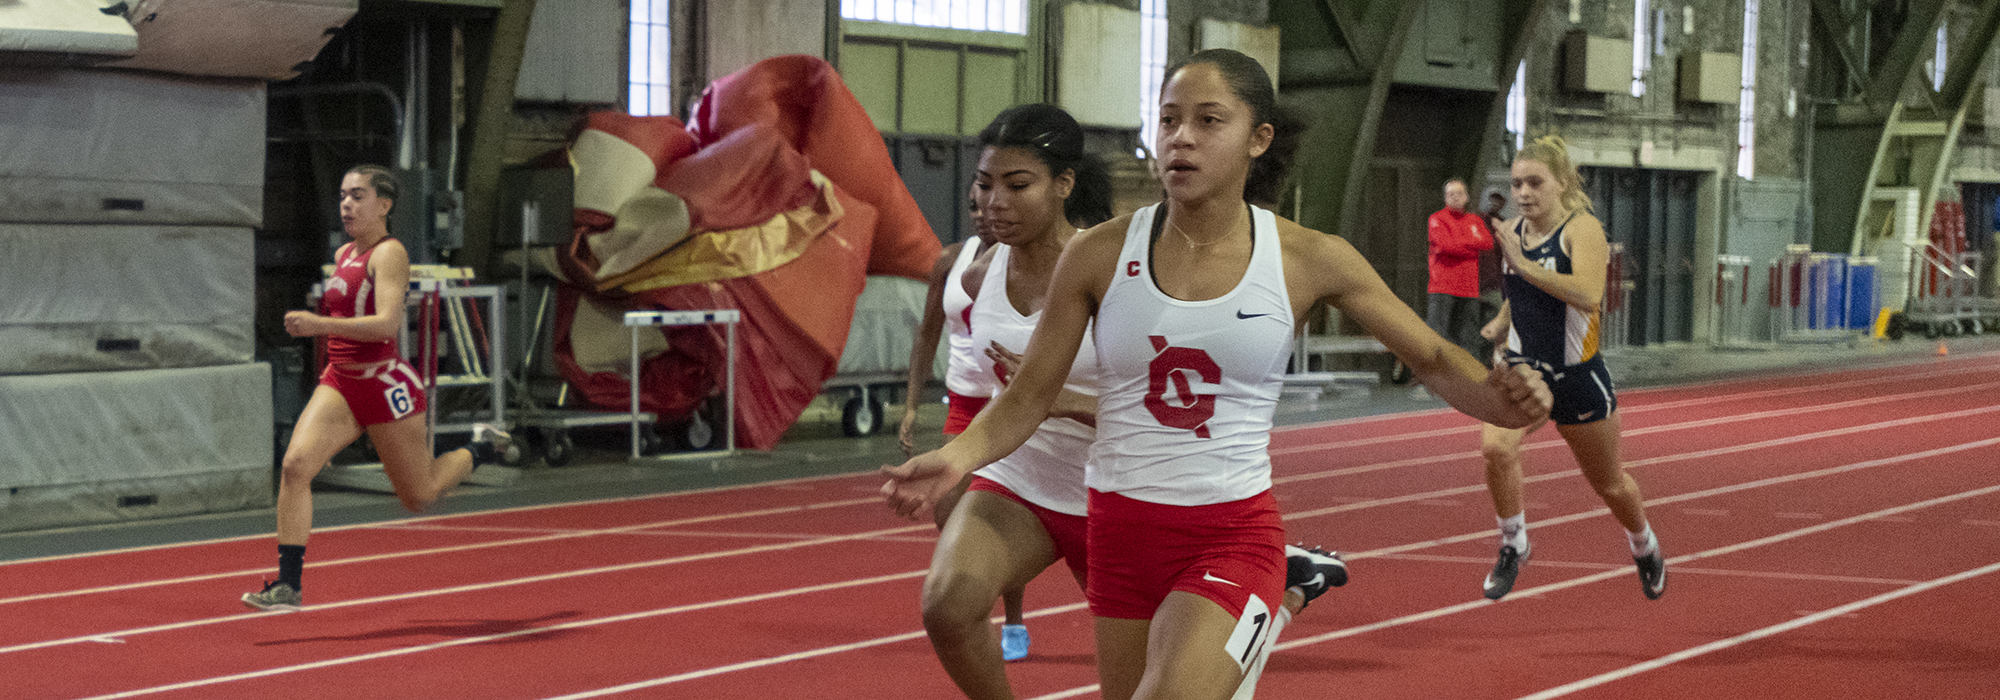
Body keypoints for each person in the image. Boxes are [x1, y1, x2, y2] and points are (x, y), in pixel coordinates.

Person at [884, 51, 1549, 700]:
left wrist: (1503, 403)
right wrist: (955, 456)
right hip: (1119, 529)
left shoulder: (1309, 258)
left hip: (1228, 530)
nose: (1182, 138)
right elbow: (1028, 395)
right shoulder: (1098, 254)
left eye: (1208, 121)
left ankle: (1271, 605)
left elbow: (1431, 355)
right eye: (1169, 119)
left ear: (1258, 139)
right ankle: (1272, 618)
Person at [242, 165, 510, 611]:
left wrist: (319, 324)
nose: (346, 204)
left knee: (418, 496)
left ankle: (480, 448)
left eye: (358, 195)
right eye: (344, 195)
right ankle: (289, 585)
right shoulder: (344, 253)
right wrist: (323, 320)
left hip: (383, 385)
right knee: (295, 467)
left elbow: (386, 323)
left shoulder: (389, 254)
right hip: (341, 381)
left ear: (384, 205)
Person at [1476, 135, 1666, 602]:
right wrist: (1498, 325)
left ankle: (1644, 544)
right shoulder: (1515, 232)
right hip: (1524, 369)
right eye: (1517, 183)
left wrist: (1520, 263)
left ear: (1561, 182)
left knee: (1610, 484)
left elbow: (1586, 294)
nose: (1523, 193)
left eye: (1535, 182)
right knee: (1496, 448)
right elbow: (1517, 294)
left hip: (1578, 377)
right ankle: (1513, 542)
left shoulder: (1583, 231)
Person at [1426, 179, 1494, 357]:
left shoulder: (1474, 220)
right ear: (1445, 198)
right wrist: (1471, 248)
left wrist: (1458, 244)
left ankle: (1470, 380)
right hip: (1442, 287)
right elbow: (1445, 245)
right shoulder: (1437, 219)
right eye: (1451, 194)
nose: (1455, 197)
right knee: (1438, 337)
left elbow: (1487, 242)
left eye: (1459, 193)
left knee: (1469, 338)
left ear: (1466, 197)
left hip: (1468, 289)